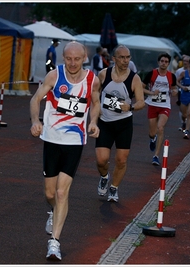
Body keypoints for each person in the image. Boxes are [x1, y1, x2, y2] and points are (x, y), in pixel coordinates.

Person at [30, 41, 101, 261]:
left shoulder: (92, 80)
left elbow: (96, 103)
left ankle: (54, 242)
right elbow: (35, 98)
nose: (72, 63)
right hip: (51, 139)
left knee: (62, 192)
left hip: (74, 140)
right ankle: (53, 210)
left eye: (77, 59)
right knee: (50, 193)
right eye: (68, 58)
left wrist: (94, 122)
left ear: (84, 58)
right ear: (63, 58)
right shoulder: (54, 76)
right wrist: (35, 120)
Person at [95, 44, 145, 202]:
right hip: (105, 122)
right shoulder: (104, 74)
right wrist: (97, 106)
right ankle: (104, 177)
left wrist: (130, 106)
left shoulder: (134, 78)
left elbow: (142, 102)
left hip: (123, 123)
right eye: (122, 57)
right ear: (114, 59)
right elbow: (93, 92)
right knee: (101, 160)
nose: (125, 60)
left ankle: (114, 188)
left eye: (128, 57)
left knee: (121, 160)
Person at [142, 53, 177, 166]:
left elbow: (174, 89)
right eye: (162, 61)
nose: (164, 63)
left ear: (168, 63)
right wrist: (151, 92)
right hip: (152, 104)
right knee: (152, 132)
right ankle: (153, 138)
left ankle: (156, 156)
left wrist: (175, 91)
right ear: (158, 62)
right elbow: (141, 88)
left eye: (166, 61)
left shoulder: (171, 76)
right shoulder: (152, 74)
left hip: (165, 105)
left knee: (160, 128)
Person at [175, 55, 190, 132]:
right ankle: (183, 123)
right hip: (181, 92)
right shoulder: (179, 71)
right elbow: (176, 81)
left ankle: (187, 124)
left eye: (187, 61)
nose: (185, 63)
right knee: (181, 109)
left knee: (189, 110)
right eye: (184, 61)